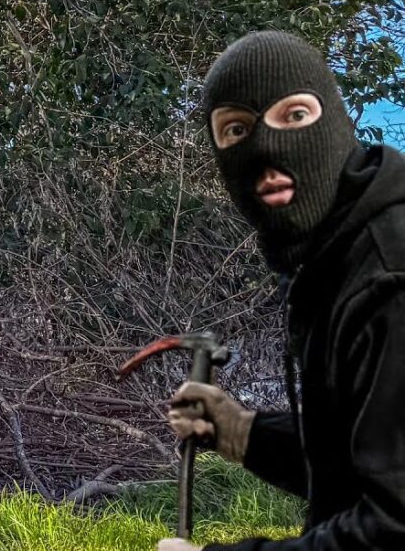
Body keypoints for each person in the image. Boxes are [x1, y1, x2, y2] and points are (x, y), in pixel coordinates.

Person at [159, 31, 405, 550]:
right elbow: (360, 462)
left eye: (293, 115)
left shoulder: (388, 277)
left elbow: (392, 527)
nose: (266, 147)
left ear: (336, 120)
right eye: (236, 129)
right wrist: (243, 432)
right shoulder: (334, 256)